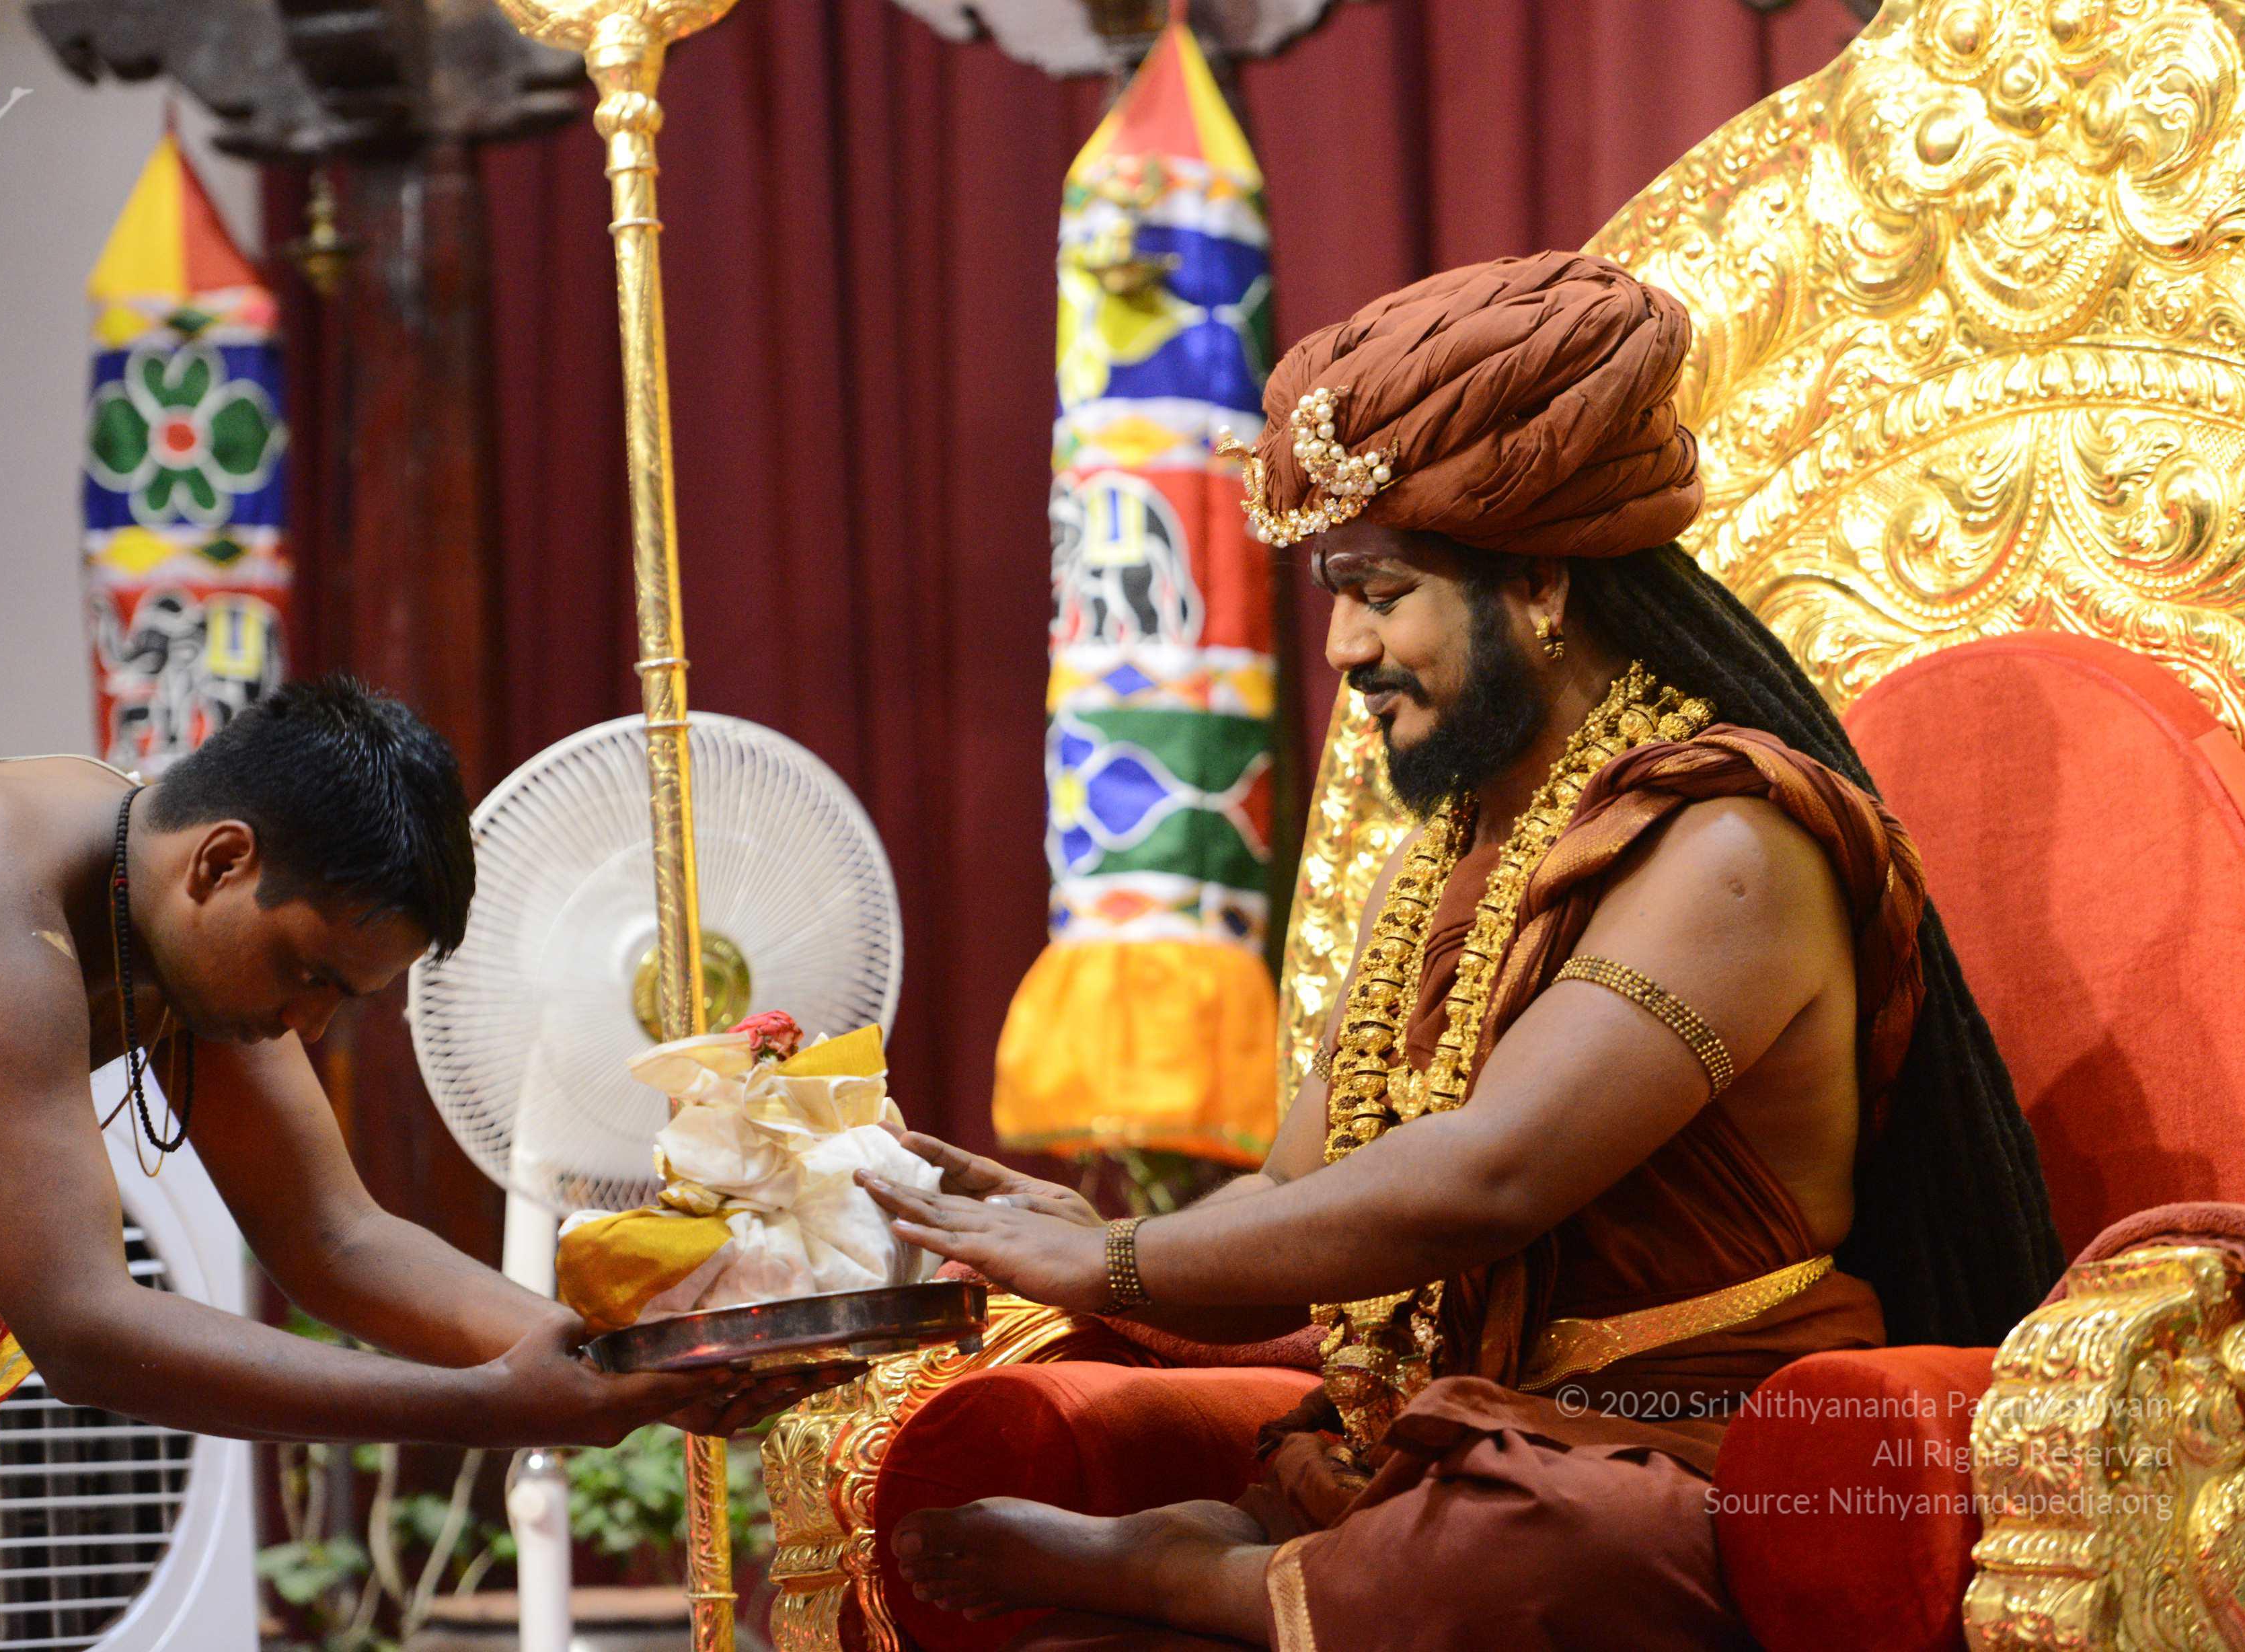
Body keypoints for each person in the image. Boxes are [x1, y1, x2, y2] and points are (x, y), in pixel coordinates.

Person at [855, 252, 2065, 1649]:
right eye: (1332, 595)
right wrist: (1081, 1234)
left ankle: (1191, 1573)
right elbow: (1297, 1191)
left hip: (1698, 1440)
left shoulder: (1728, 842)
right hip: (1449, 1432)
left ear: (1539, 583)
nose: (1341, 649)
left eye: (1378, 591)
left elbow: (1489, 1176)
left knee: (1529, 1541)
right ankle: (1255, 1566)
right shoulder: (1446, 855)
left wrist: (1123, 1262)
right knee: (1404, 1501)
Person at [0, 677, 828, 1651]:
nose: (310, 1023)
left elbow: (335, 1237)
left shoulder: (162, 892)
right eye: (307, 973)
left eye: (344, 998)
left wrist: (628, 1361)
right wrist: (484, 1407)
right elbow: (84, 1331)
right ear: (221, 863)